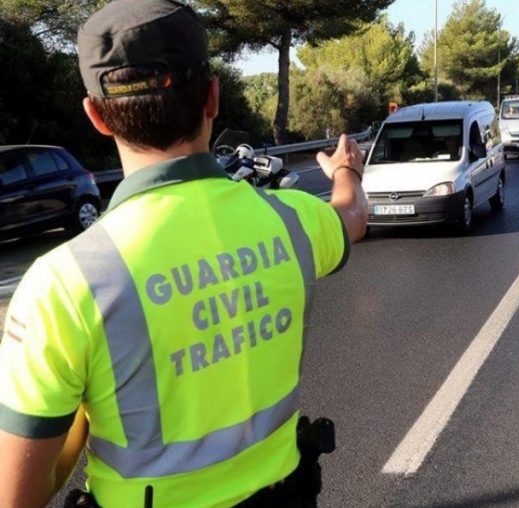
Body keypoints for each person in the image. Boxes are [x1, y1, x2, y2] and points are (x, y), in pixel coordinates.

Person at [0, 0, 367, 506]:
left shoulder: (63, 285)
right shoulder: (293, 220)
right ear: (213, 98)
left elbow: (15, 494)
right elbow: (352, 217)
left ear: (96, 116)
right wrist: (347, 170)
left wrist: (79, 421)